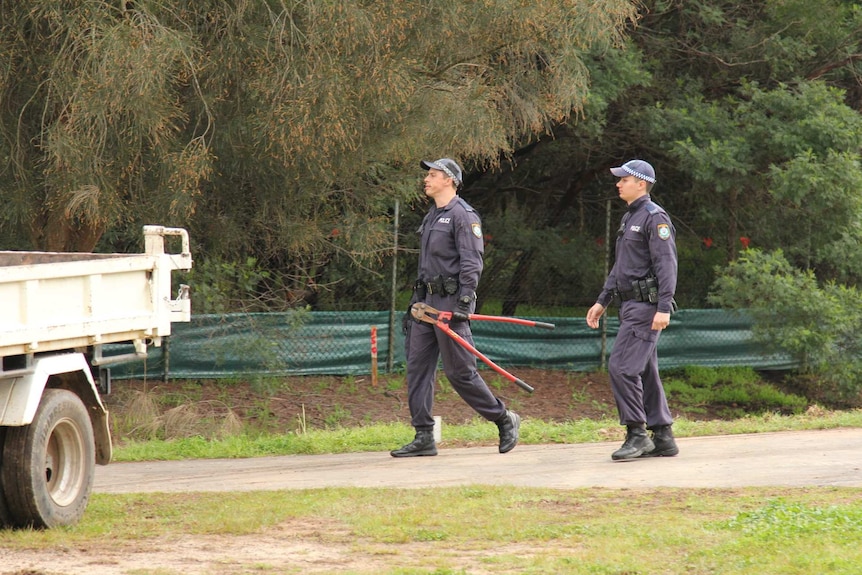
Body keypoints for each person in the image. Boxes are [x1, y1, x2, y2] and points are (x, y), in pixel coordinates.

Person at [391, 158, 520, 457]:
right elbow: (426, 266)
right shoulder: (432, 215)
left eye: (432, 175)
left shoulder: (463, 215)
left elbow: (472, 262)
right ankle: (424, 436)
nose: (427, 180)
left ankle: (503, 418)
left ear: (449, 180)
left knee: (460, 372)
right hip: (425, 305)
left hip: (450, 304)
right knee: (417, 369)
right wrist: (415, 303)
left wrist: (465, 301)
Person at [585, 159, 679, 461]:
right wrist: (603, 300)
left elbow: (667, 265)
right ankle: (662, 435)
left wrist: (664, 306)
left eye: (624, 179)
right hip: (630, 305)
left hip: (646, 308)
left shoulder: (655, 218)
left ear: (641, 183)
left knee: (622, 368)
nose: (618, 183)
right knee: (646, 372)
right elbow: (622, 267)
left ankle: (637, 434)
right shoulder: (630, 218)